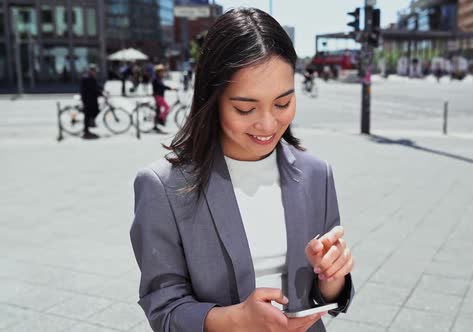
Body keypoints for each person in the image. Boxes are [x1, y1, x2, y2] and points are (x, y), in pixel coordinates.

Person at [130, 8, 354, 332]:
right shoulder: (163, 186)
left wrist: (333, 277)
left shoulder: (317, 174)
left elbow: (326, 297)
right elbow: (164, 309)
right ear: (212, 98)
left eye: (282, 103)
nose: (267, 124)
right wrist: (234, 320)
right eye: (245, 108)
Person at [79, 64, 103, 139]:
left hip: (91, 99)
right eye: (94, 71)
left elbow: (96, 86)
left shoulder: (90, 77)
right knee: (88, 115)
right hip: (88, 100)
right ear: (91, 71)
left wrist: (102, 90)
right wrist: (100, 93)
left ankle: (90, 124)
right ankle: (86, 132)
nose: (95, 72)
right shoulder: (87, 78)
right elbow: (93, 88)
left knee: (95, 111)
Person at [151, 64, 177, 129]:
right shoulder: (156, 79)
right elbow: (162, 87)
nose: (163, 73)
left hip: (159, 96)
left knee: (158, 111)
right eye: (161, 72)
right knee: (167, 107)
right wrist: (170, 88)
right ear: (158, 72)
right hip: (158, 96)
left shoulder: (158, 79)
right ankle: (161, 119)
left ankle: (156, 125)